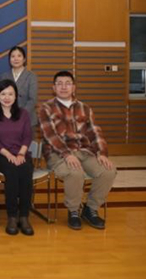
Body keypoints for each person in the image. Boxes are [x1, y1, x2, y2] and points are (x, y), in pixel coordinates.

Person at [39, 71, 116, 230]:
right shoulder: (46, 108)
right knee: (75, 173)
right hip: (57, 153)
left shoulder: (85, 108)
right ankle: (74, 211)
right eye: (59, 83)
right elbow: (50, 135)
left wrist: (102, 153)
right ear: (53, 88)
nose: (64, 87)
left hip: (84, 151)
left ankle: (90, 209)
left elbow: (95, 132)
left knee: (108, 171)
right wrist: (67, 154)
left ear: (74, 87)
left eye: (68, 83)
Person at [0, 79, 34, 236]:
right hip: (0, 155)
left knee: (26, 170)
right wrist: (9, 155)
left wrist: (21, 154)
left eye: (10, 94)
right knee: (11, 171)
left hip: (21, 154)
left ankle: (24, 216)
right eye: (3, 94)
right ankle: (12, 216)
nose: (7, 97)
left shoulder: (24, 114)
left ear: (16, 96)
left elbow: (27, 136)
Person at [0, 46, 38, 128]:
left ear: (24, 59)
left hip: (27, 119)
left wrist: (21, 114)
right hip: (7, 118)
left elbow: (32, 99)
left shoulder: (31, 76)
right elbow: (0, 97)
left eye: (19, 56)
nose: (16, 59)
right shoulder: (3, 76)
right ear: (9, 60)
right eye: (13, 56)